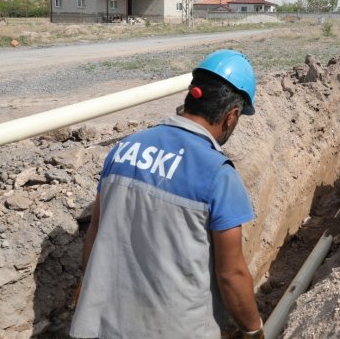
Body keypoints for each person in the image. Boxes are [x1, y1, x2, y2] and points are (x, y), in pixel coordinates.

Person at [70, 49, 265, 339]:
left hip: (100, 326)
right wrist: (253, 330)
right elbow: (231, 275)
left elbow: (96, 233)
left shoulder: (123, 149)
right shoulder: (218, 174)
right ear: (231, 115)